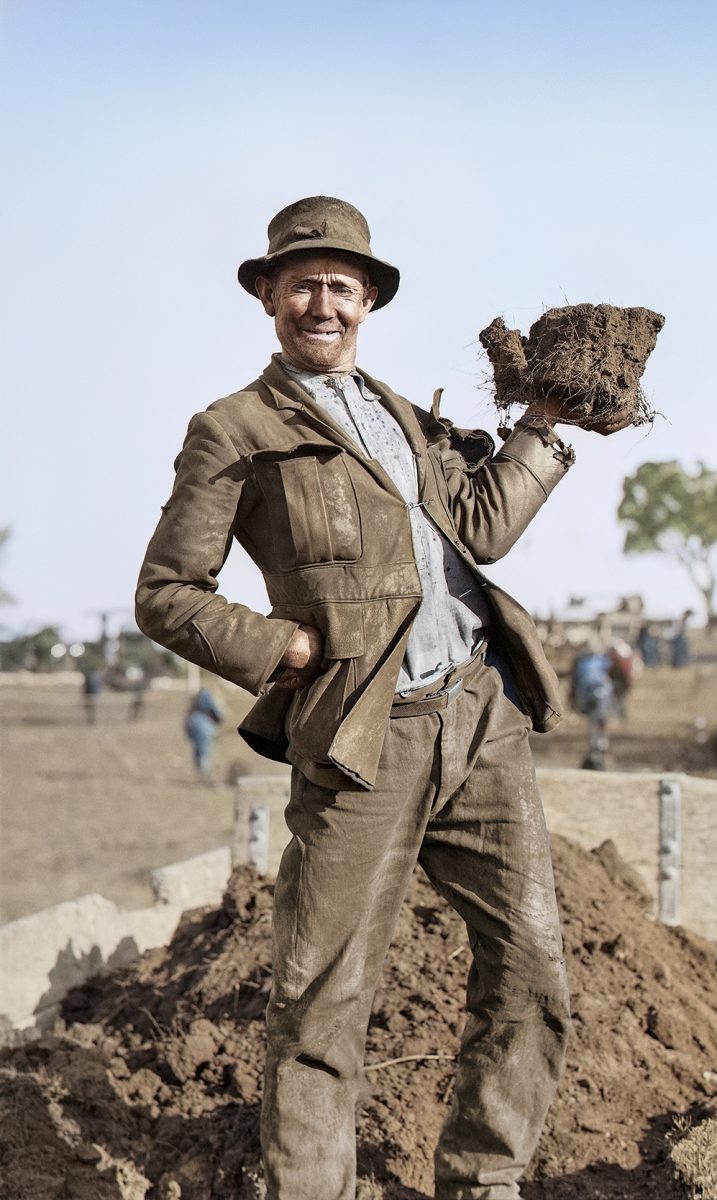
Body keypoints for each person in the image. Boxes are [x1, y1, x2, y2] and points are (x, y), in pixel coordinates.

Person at [136, 196, 631, 1200]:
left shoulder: (404, 417)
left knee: (532, 970)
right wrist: (281, 645)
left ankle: (483, 1179)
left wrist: (542, 425)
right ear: (269, 295)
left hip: (479, 722)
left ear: (368, 301)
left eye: (341, 286)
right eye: (302, 284)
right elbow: (166, 594)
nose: (322, 303)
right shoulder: (233, 430)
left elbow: (483, 530)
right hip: (366, 739)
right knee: (322, 1002)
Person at [184, 686, 223, 782]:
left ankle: (199, 774)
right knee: (205, 752)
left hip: (192, 722)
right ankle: (205, 777)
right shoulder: (208, 696)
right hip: (203, 725)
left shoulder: (196, 698)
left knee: (198, 750)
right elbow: (217, 712)